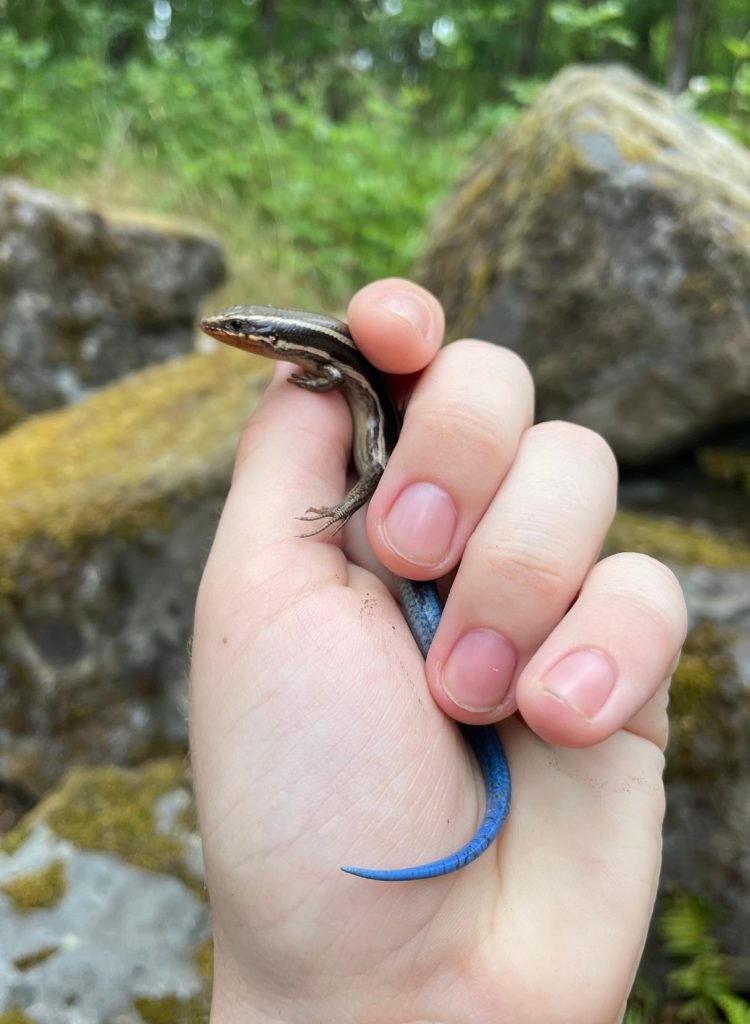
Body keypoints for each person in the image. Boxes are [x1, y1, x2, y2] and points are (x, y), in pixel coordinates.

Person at [190, 278, 687, 1024]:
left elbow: (356, 416)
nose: (224, 332)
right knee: (402, 490)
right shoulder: (317, 375)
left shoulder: (322, 368)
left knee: (390, 482)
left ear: (269, 338)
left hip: (387, 467)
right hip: (388, 470)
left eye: (238, 328)